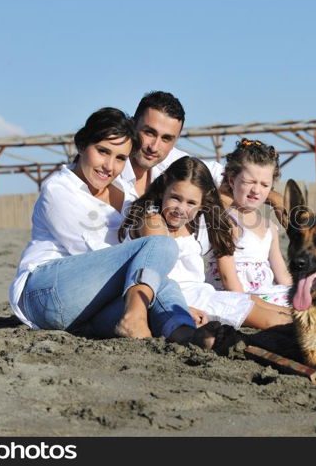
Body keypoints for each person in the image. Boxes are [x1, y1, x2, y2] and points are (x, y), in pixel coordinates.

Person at [8, 107, 226, 350]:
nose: (109, 166)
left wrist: (176, 302)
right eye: (102, 151)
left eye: (121, 158)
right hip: (46, 294)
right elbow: (101, 254)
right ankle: (135, 317)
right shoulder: (59, 190)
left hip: (87, 308)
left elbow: (138, 268)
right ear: (81, 145)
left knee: (162, 286)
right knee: (159, 248)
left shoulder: (125, 195)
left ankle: (185, 333)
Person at [119, 156, 292, 330]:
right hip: (179, 300)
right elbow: (155, 274)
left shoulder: (195, 222)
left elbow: (229, 193)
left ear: (202, 204)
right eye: (175, 198)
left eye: (191, 202)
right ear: (163, 190)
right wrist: (184, 308)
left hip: (204, 294)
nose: (181, 208)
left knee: (264, 304)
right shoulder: (153, 220)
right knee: (269, 319)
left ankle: (314, 322)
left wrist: (270, 195)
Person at [115, 90, 287, 225]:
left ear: (176, 139)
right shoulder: (107, 167)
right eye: (149, 132)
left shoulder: (173, 162)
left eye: (166, 138)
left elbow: (220, 175)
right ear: (132, 124)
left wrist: (275, 199)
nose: (154, 146)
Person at [207, 138, 292, 306]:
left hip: (264, 294)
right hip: (235, 296)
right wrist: (247, 305)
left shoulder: (269, 227)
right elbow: (227, 277)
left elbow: (282, 274)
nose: (256, 190)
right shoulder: (226, 220)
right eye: (249, 182)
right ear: (232, 180)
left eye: (264, 184)